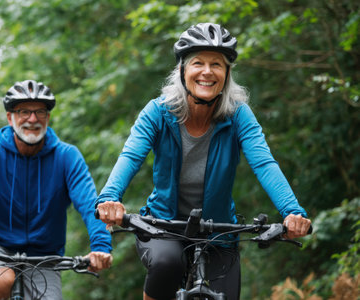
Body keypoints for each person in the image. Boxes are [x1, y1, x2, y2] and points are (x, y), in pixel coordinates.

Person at [95, 23, 312, 300]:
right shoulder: (158, 112)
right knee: (167, 263)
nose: (207, 71)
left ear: (227, 74)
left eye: (217, 64)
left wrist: (292, 212)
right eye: (198, 62)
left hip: (219, 230)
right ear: (183, 70)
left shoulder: (238, 116)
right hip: (163, 227)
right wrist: (109, 199)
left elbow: (264, 163)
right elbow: (131, 156)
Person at [0, 80, 113, 300]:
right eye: (24, 111)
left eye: (40, 112)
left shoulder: (67, 156)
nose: (33, 119)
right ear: (10, 117)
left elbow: (89, 204)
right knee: (1, 279)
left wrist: (100, 247)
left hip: (45, 253)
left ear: (48, 117)